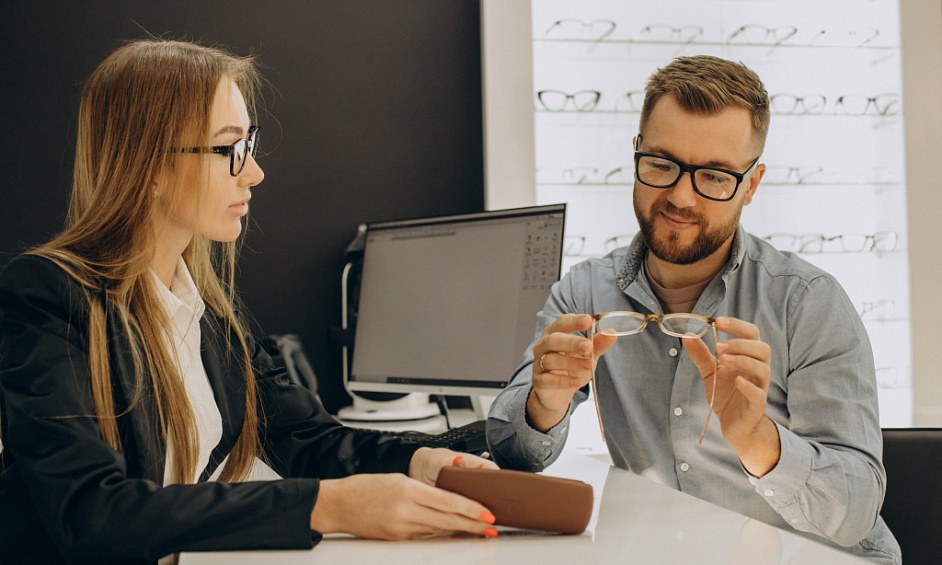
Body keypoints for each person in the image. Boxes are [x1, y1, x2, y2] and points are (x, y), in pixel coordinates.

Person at [0, 39, 499, 565]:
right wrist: (326, 507)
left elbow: (309, 440)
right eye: (229, 148)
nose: (254, 172)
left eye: (249, 143)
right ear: (149, 165)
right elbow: (93, 513)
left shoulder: (209, 316)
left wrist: (422, 461)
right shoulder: (47, 296)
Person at [486, 55, 901, 564]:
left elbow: (857, 508)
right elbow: (510, 450)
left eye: (715, 176)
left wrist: (758, 442)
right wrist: (543, 406)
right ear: (636, 155)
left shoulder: (807, 301)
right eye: (661, 164)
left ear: (750, 185)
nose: (680, 196)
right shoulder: (584, 293)